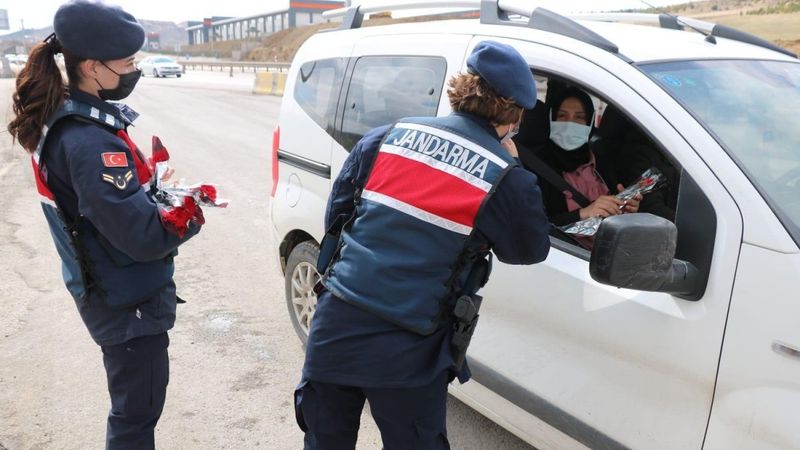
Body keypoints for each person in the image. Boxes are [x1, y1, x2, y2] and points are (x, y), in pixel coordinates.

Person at [294, 41, 551, 450]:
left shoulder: (386, 136)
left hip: (335, 328)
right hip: (409, 351)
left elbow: (337, 219)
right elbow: (528, 250)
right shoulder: (506, 177)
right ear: (513, 115)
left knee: (324, 440)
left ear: (461, 91)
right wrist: (513, 164)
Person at [7, 1, 201, 448]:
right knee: (135, 418)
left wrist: (147, 190)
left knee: (133, 410)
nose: (135, 71)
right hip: (125, 301)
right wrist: (189, 211)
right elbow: (143, 237)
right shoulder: (89, 141)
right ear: (92, 68)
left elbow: (102, 206)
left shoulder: (71, 119)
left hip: (109, 287)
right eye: (128, 63)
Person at [532, 87, 640, 227]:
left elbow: (615, 215)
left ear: (590, 122)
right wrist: (584, 213)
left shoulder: (602, 161)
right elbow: (533, 226)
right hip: (567, 249)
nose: (569, 124)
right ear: (551, 119)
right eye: (562, 116)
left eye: (579, 117)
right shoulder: (536, 167)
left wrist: (625, 208)